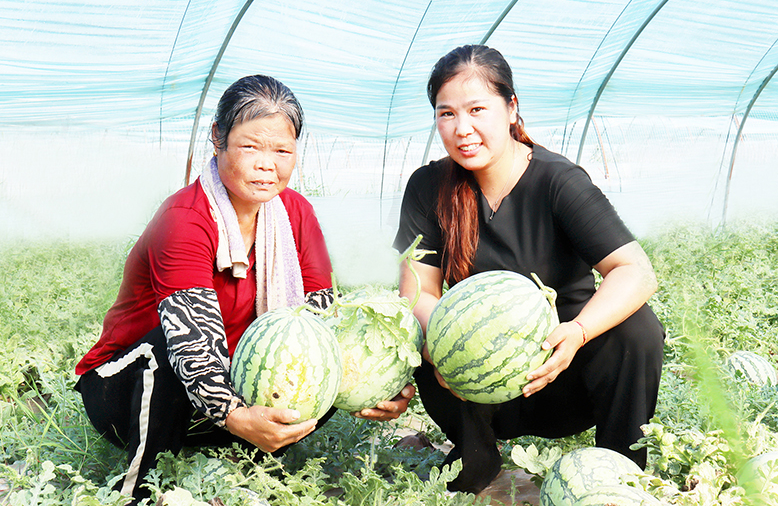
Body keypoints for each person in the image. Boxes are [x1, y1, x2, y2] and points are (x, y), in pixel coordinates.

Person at [75, 74, 414, 504]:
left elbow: (322, 321)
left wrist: (374, 385)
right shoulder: (184, 217)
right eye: (251, 146)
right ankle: (142, 488)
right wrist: (234, 415)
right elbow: (192, 346)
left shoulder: (296, 213)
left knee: (314, 350)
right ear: (218, 138)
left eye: (282, 151)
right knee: (166, 347)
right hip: (126, 390)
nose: (266, 164)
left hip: (227, 383)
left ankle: (239, 458)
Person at [393, 45, 665, 495]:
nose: (463, 129)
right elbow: (416, 291)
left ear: (511, 107)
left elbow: (636, 270)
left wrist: (576, 332)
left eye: (477, 109)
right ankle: (474, 465)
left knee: (637, 331)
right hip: (473, 389)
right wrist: (442, 343)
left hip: (564, 375)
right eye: (447, 114)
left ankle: (617, 478)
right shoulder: (428, 187)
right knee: (420, 330)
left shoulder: (558, 181)